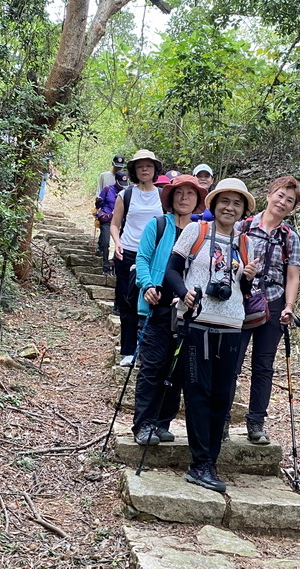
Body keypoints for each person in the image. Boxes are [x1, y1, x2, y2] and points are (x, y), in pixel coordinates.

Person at [165, 178, 258, 493]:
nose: (229, 208)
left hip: (231, 325)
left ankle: (210, 462)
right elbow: (172, 271)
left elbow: (243, 292)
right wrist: (184, 294)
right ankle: (199, 463)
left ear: (243, 210)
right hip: (198, 322)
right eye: (225, 201)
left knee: (222, 396)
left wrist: (246, 278)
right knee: (197, 393)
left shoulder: (244, 243)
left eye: (236, 203)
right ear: (214, 204)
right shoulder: (196, 231)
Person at [225, 175, 300, 445]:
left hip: (273, 302)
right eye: (280, 195)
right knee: (231, 362)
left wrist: (290, 307)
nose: (282, 202)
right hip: (241, 299)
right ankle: (222, 418)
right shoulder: (243, 227)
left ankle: (256, 421)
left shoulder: (290, 237)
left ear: (293, 208)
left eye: (289, 200)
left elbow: (292, 275)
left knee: (263, 365)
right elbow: (224, 258)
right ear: (270, 194)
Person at [132, 175, 208, 445]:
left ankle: (163, 422)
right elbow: (142, 257)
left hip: (187, 311)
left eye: (191, 194)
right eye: (179, 193)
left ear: (198, 200)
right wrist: (147, 284)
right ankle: (143, 424)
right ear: (171, 198)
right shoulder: (159, 225)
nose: (184, 198)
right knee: (153, 366)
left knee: (176, 370)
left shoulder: (203, 232)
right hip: (157, 306)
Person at [110, 150, 163, 367]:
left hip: (154, 254)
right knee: (127, 302)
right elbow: (115, 223)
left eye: (148, 166)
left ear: (154, 169)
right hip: (129, 251)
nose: (144, 169)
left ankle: (150, 350)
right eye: (140, 166)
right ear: (134, 170)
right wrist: (117, 242)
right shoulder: (126, 195)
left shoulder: (163, 195)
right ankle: (129, 351)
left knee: (155, 300)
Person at [95, 171, 129, 275]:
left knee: (119, 244)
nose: (121, 186)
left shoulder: (125, 192)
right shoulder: (107, 189)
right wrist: (99, 202)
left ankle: (115, 265)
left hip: (119, 221)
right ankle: (105, 266)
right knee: (105, 243)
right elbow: (98, 204)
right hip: (107, 218)